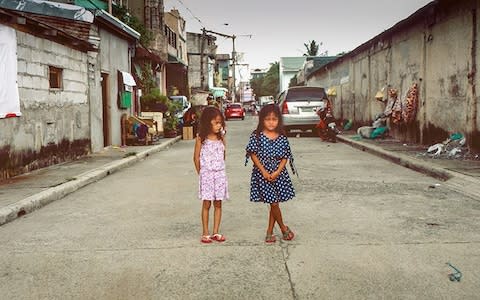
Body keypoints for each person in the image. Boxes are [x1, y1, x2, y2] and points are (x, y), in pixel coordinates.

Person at [245, 104, 296, 243]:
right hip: (263, 175)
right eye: (268, 119)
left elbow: (286, 156)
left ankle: (269, 232)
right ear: (262, 120)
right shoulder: (256, 136)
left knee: (274, 203)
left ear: (279, 120)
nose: (271, 122)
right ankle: (284, 229)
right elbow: (253, 155)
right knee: (273, 203)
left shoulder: (282, 137)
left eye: (274, 119)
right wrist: (264, 171)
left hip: (279, 174)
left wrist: (277, 172)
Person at [193, 106, 228, 243]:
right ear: (208, 123)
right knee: (206, 203)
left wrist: (220, 168)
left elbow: (223, 153)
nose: (219, 125)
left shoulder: (221, 138)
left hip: (219, 174)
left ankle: (216, 232)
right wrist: (201, 173)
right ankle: (205, 232)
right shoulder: (201, 138)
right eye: (215, 123)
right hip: (206, 175)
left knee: (218, 203)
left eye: (220, 122)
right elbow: (195, 158)